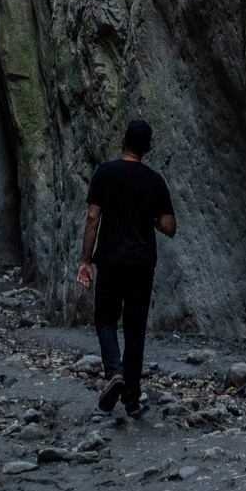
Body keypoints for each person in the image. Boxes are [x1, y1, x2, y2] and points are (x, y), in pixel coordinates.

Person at [77, 118, 175, 418]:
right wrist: (153, 219)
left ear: (122, 143)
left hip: (111, 260)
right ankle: (132, 401)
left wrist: (85, 261)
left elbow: (93, 218)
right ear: (147, 149)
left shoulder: (105, 173)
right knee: (135, 330)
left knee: (106, 319)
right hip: (143, 263)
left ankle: (114, 373)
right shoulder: (155, 180)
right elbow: (170, 227)